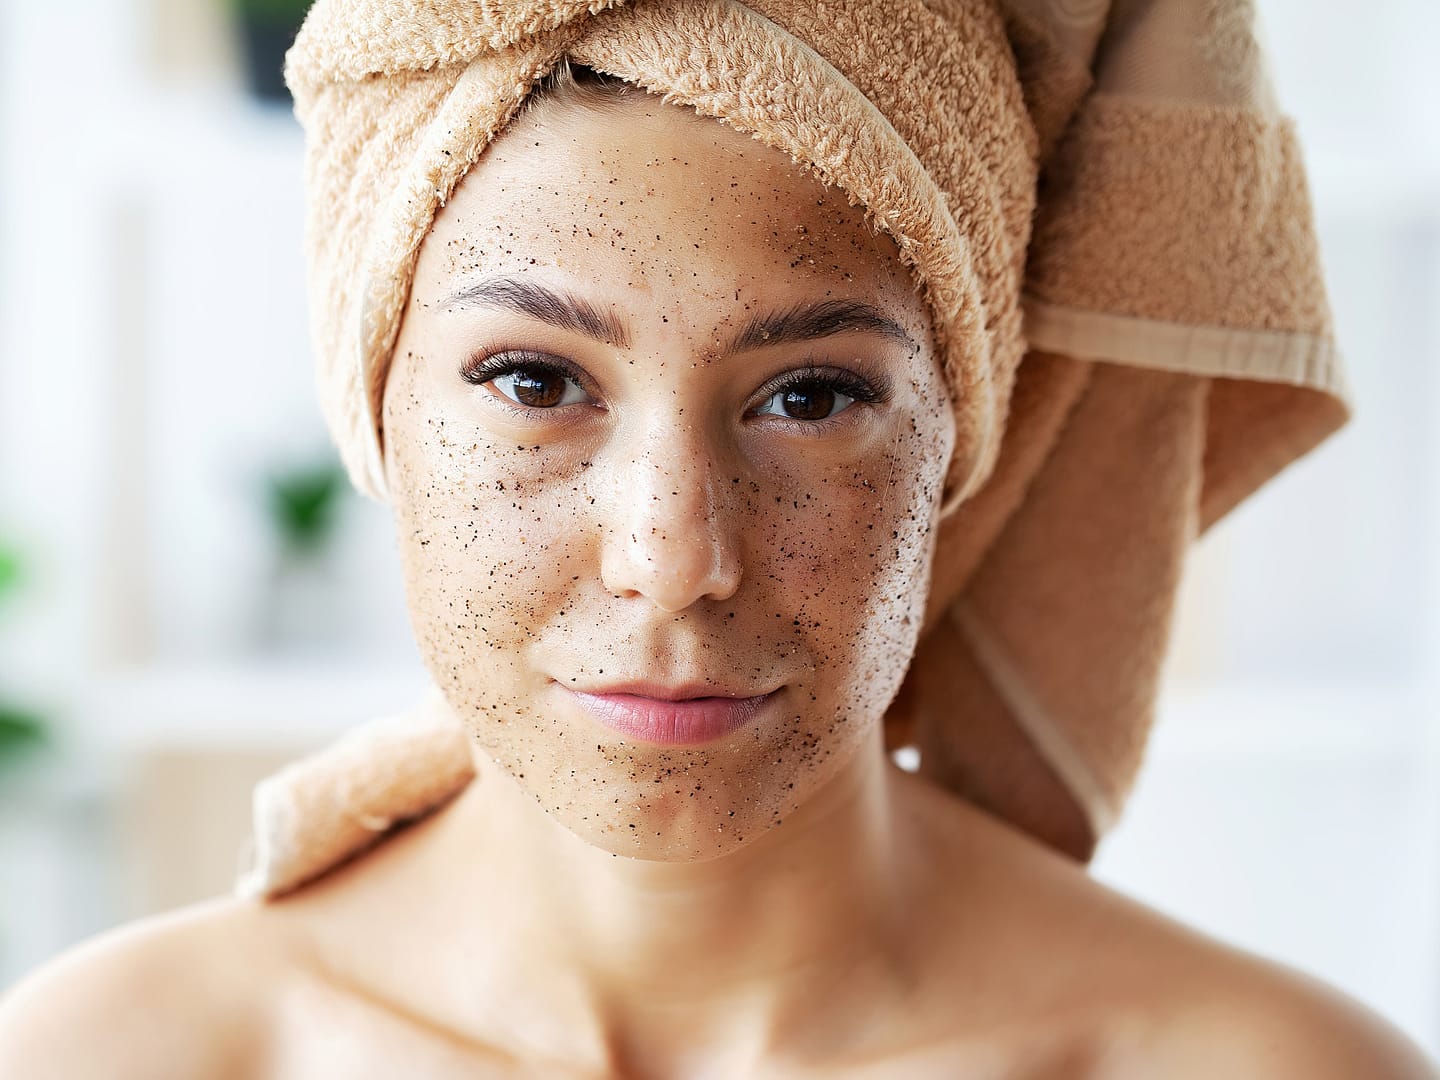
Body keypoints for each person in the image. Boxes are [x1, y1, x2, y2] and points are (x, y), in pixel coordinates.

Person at [3, 17, 1437, 1080]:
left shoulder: (1273, 1069)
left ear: (966, 430)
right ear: (371, 399)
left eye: (810, 397)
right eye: (535, 381)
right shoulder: (111, 1058)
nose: (673, 556)